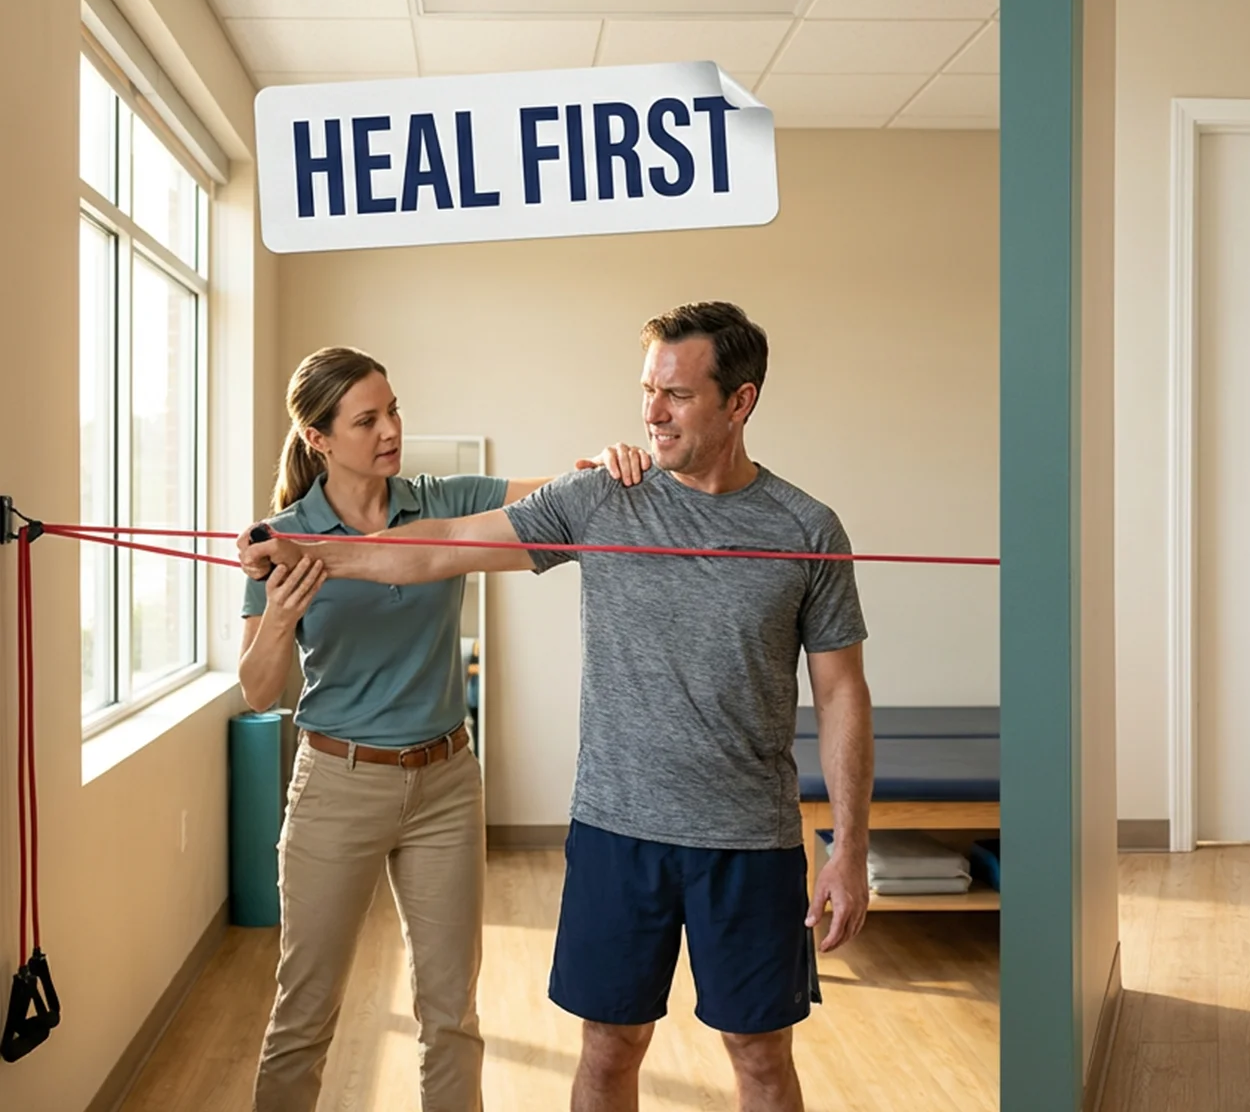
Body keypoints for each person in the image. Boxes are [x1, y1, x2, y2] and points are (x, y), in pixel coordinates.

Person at [238, 302, 876, 1112]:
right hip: (612, 831)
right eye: (647, 390)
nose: (651, 412)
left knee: (759, 1060)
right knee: (607, 1051)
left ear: (740, 401)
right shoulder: (604, 503)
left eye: (676, 396)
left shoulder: (806, 528)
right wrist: (306, 553)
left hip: (747, 839)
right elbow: (435, 548)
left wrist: (850, 845)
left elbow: (842, 689)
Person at [240, 346, 652, 1111]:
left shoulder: (445, 499)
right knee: (304, 1015)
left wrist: (607, 463)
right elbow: (260, 686)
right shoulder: (283, 538)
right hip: (337, 784)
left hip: (446, 784)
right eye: (367, 420)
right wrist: (281, 617)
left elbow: (569, 502)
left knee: (451, 1016)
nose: (391, 430)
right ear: (320, 438)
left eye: (393, 409)